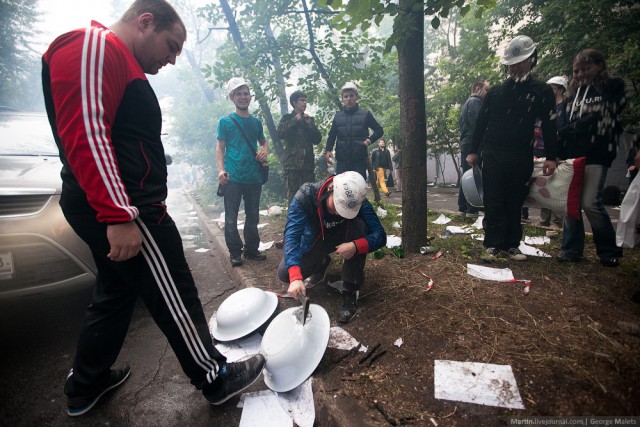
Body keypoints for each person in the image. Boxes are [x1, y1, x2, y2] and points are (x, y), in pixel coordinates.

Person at [41, 0, 264, 416]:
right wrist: (117, 214)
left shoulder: (115, 60)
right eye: (171, 45)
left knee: (116, 291)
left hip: (121, 204)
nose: (174, 58)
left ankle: (86, 383)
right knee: (174, 290)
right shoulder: (94, 46)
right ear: (145, 22)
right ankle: (213, 377)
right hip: (129, 210)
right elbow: (88, 136)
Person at [467, 35, 558, 262]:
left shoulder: (541, 92)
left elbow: (549, 124)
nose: (515, 68)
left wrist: (552, 157)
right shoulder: (496, 93)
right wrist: (473, 150)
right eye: (511, 65)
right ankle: (492, 245)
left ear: (531, 61)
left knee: (515, 200)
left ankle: (511, 245)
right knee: (494, 200)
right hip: (493, 153)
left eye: (520, 62)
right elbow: (481, 124)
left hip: (521, 154)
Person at [277, 171, 387, 323]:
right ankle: (321, 263)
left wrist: (356, 246)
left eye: (345, 212)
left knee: (360, 226)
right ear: (330, 188)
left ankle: (350, 288)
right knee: (285, 273)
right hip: (316, 241)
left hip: (345, 239)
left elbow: (380, 235)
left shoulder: (358, 200)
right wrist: (295, 277)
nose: (337, 213)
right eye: (336, 206)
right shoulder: (306, 196)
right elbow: (292, 236)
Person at [557, 48, 626, 267]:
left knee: (590, 202)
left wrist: (574, 127)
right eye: (577, 70)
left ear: (599, 66)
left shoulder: (612, 86)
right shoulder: (574, 94)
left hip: (598, 153)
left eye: (586, 69)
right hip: (573, 155)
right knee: (571, 203)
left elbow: (603, 113)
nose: (581, 74)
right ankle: (571, 250)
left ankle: (608, 250)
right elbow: (564, 122)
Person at [216, 77, 269, 267]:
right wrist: (221, 170)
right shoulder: (226, 122)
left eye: (245, 93)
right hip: (233, 177)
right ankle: (235, 252)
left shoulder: (256, 123)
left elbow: (263, 142)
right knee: (231, 217)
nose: (243, 97)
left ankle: (251, 249)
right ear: (232, 97)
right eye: (238, 93)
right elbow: (220, 148)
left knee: (253, 216)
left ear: (250, 96)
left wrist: (265, 150)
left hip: (253, 177)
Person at [324, 82, 384, 179]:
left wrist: (369, 140)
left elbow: (379, 130)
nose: (349, 99)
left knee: (359, 188)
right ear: (343, 99)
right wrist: (328, 150)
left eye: (351, 96)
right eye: (346, 96)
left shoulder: (365, 114)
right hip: (342, 160)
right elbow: (332, 135)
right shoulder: (338, 116)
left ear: (356, 97)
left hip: (359, 160)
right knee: (342, 188)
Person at [277, 90, 322, 200]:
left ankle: (310, 217)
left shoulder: (309, 120)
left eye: (305, 100)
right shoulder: (287, 118)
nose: (305, 103)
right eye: (302, 100)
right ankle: (293, 217)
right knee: (294, 196)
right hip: (292, 165)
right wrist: (294, 121)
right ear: (294, 103)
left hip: (308, 165)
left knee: (309, 195)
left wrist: (310, 125)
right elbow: (280, 134)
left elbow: (317, 139)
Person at [538, 76, 569, 228]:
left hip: (561, 153)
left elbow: (566, 128)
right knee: (546, 185)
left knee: (558, 187)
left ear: (560, 90)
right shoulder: (544, 106)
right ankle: (544, 222)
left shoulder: (565, 107)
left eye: (552, 87)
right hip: (544, 152)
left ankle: (557, 224)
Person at [459, 79, 490, 216]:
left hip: (468, 142)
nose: (487, 94)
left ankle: (464, 207)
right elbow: (479, 126)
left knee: (468, 175)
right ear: (478, 88)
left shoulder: (468, 103)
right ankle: (472, 208)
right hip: (473, 144)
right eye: (487, 90)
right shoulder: (476, 102)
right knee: (473, 176)